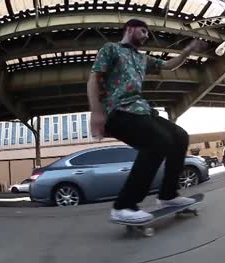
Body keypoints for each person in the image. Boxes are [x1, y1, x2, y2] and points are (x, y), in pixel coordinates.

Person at [87, 19, 207, 223]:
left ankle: (168, 196)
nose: (146, 36)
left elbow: (168, 65)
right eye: (143, 31)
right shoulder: (111, 49)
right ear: (130, 29)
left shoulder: (143, 59)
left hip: (141, 110)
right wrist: (96, 113)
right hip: (117, 112)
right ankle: (123, 206)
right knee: (158, 142)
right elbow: (94, 79)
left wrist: (188, 49)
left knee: (179, 136)